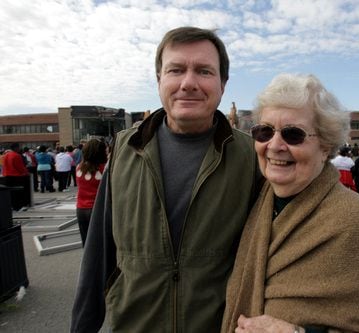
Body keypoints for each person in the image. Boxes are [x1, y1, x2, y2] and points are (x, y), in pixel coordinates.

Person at [71, 27, 261, 332]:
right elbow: (98, 253)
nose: (188, 83)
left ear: (222, 84)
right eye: (176, 70)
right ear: (159, 80)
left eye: (204, 71)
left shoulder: (252, 157)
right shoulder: (125, 148)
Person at [222, 74, 359, 333]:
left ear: (325, 147)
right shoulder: (257, 197)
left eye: (293, 134)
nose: (275, 145)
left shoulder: (350, 220)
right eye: (264, 131)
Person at [75, 139, 107, 246]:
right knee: (101, 244)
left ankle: (87, 262)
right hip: (98, 209)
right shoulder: (104, 169)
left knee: (87, 243)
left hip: (81, 209)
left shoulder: (79, 168)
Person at [1, 142, 30, 211]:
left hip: (7, 176)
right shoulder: (16, 155)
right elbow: (20, 167)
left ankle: (11, 206)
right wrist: (26, 173)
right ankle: (18, 206)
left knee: (11, 192)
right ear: (16, 148)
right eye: (18, 147)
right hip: (16, 176)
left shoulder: (6, 155)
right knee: (18, 192)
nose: (19, 149)